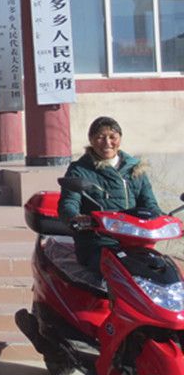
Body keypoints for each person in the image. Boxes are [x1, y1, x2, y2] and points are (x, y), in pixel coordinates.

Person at [58, 116, 162, 273]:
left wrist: (162, 219)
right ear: (91, 140)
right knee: (114, 272)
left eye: (112, 137)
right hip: (98, 242)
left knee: (161, 270)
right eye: (100, 137)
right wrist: (77, 218)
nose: (107, 143)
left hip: (135, 240)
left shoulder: (135, 169)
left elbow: (150, 205)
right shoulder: (79, 170)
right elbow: (69, 203)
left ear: (120, 139)